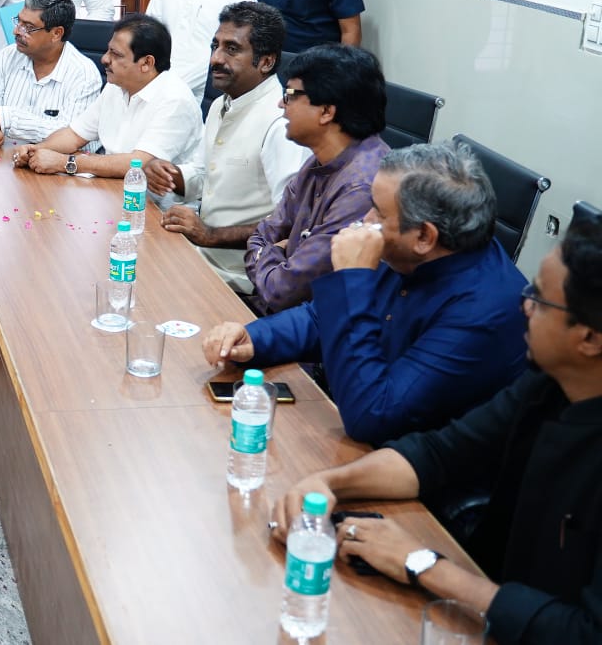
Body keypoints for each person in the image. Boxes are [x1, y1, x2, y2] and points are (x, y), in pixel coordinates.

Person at [270, 216, 602, 644]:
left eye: (539, 298)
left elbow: (585, 634)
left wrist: (422, 563)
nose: (524, 306)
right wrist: (328, 483)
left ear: (591, 338)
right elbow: (440, 453)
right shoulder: (546, 386)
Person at [202, 142, 529, 444]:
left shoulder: (484, 310)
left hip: (415, 478)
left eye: (378, 212)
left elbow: (373, 417)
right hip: (348, 414)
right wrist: (255, 338)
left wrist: (352, 277)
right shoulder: (409, 252)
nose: (364, 221)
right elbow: (319, 319)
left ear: (425, 237)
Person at [145, 2, 308, 293]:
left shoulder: (280, 123)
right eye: (215, 46)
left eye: (231, 49)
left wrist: (211, 235)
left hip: (243, 277)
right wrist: (168, 174)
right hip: (201, 256)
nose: (215, 59)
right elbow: (202, 173)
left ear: (266, 62)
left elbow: (290, 223)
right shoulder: (223, 103)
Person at [244, 43, 389, 313]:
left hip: (312, 337)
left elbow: (283, 291)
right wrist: (280, 252)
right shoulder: (319, 159)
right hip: (275, 316)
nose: (280, 103)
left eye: (289, 95)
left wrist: (273, 252)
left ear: (326, 112)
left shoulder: (363, 187)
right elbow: (261, 235)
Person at [13, 13, 202, 177]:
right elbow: (74, 134)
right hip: (112, 187)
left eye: (116, 54)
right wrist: (35, 150)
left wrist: (66, 163)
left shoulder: (174, 99)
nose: (104, 59)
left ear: (146, 63)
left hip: (158, 208)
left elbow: (140, 164)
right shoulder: (116, 86)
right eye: (107, 50)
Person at [0, 0, 104, 152]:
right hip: (8, 162)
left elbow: (74, 137)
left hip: (60, 171)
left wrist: (7, 118)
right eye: (19, 21)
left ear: (56, 33)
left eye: (28, 27)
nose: (16, 31)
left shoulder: (84, 74)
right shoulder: (7, 57)